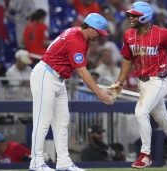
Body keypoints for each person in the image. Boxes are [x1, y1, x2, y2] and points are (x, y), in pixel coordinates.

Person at [109, 2, 167, 170]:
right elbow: (127, 59)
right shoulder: (129, 35)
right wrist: (119, 82)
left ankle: (145, 154)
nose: (131, 18)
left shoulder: (162, 34)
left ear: (145, 17)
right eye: (131, 14)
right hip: (142, 81)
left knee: (140, 111)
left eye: (135, 15)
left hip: (159, 79)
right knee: (162, 117)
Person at [29, 13, 114, 171]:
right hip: (45, 76)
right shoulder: (75, 38)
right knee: (42, 121)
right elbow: (81, 71)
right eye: (98, 32)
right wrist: (98, 92)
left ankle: (63, 162)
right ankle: (36, 162)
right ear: (89, 28)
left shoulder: (80, 36)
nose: (100, 36)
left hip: (58, 79)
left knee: (62, 122)